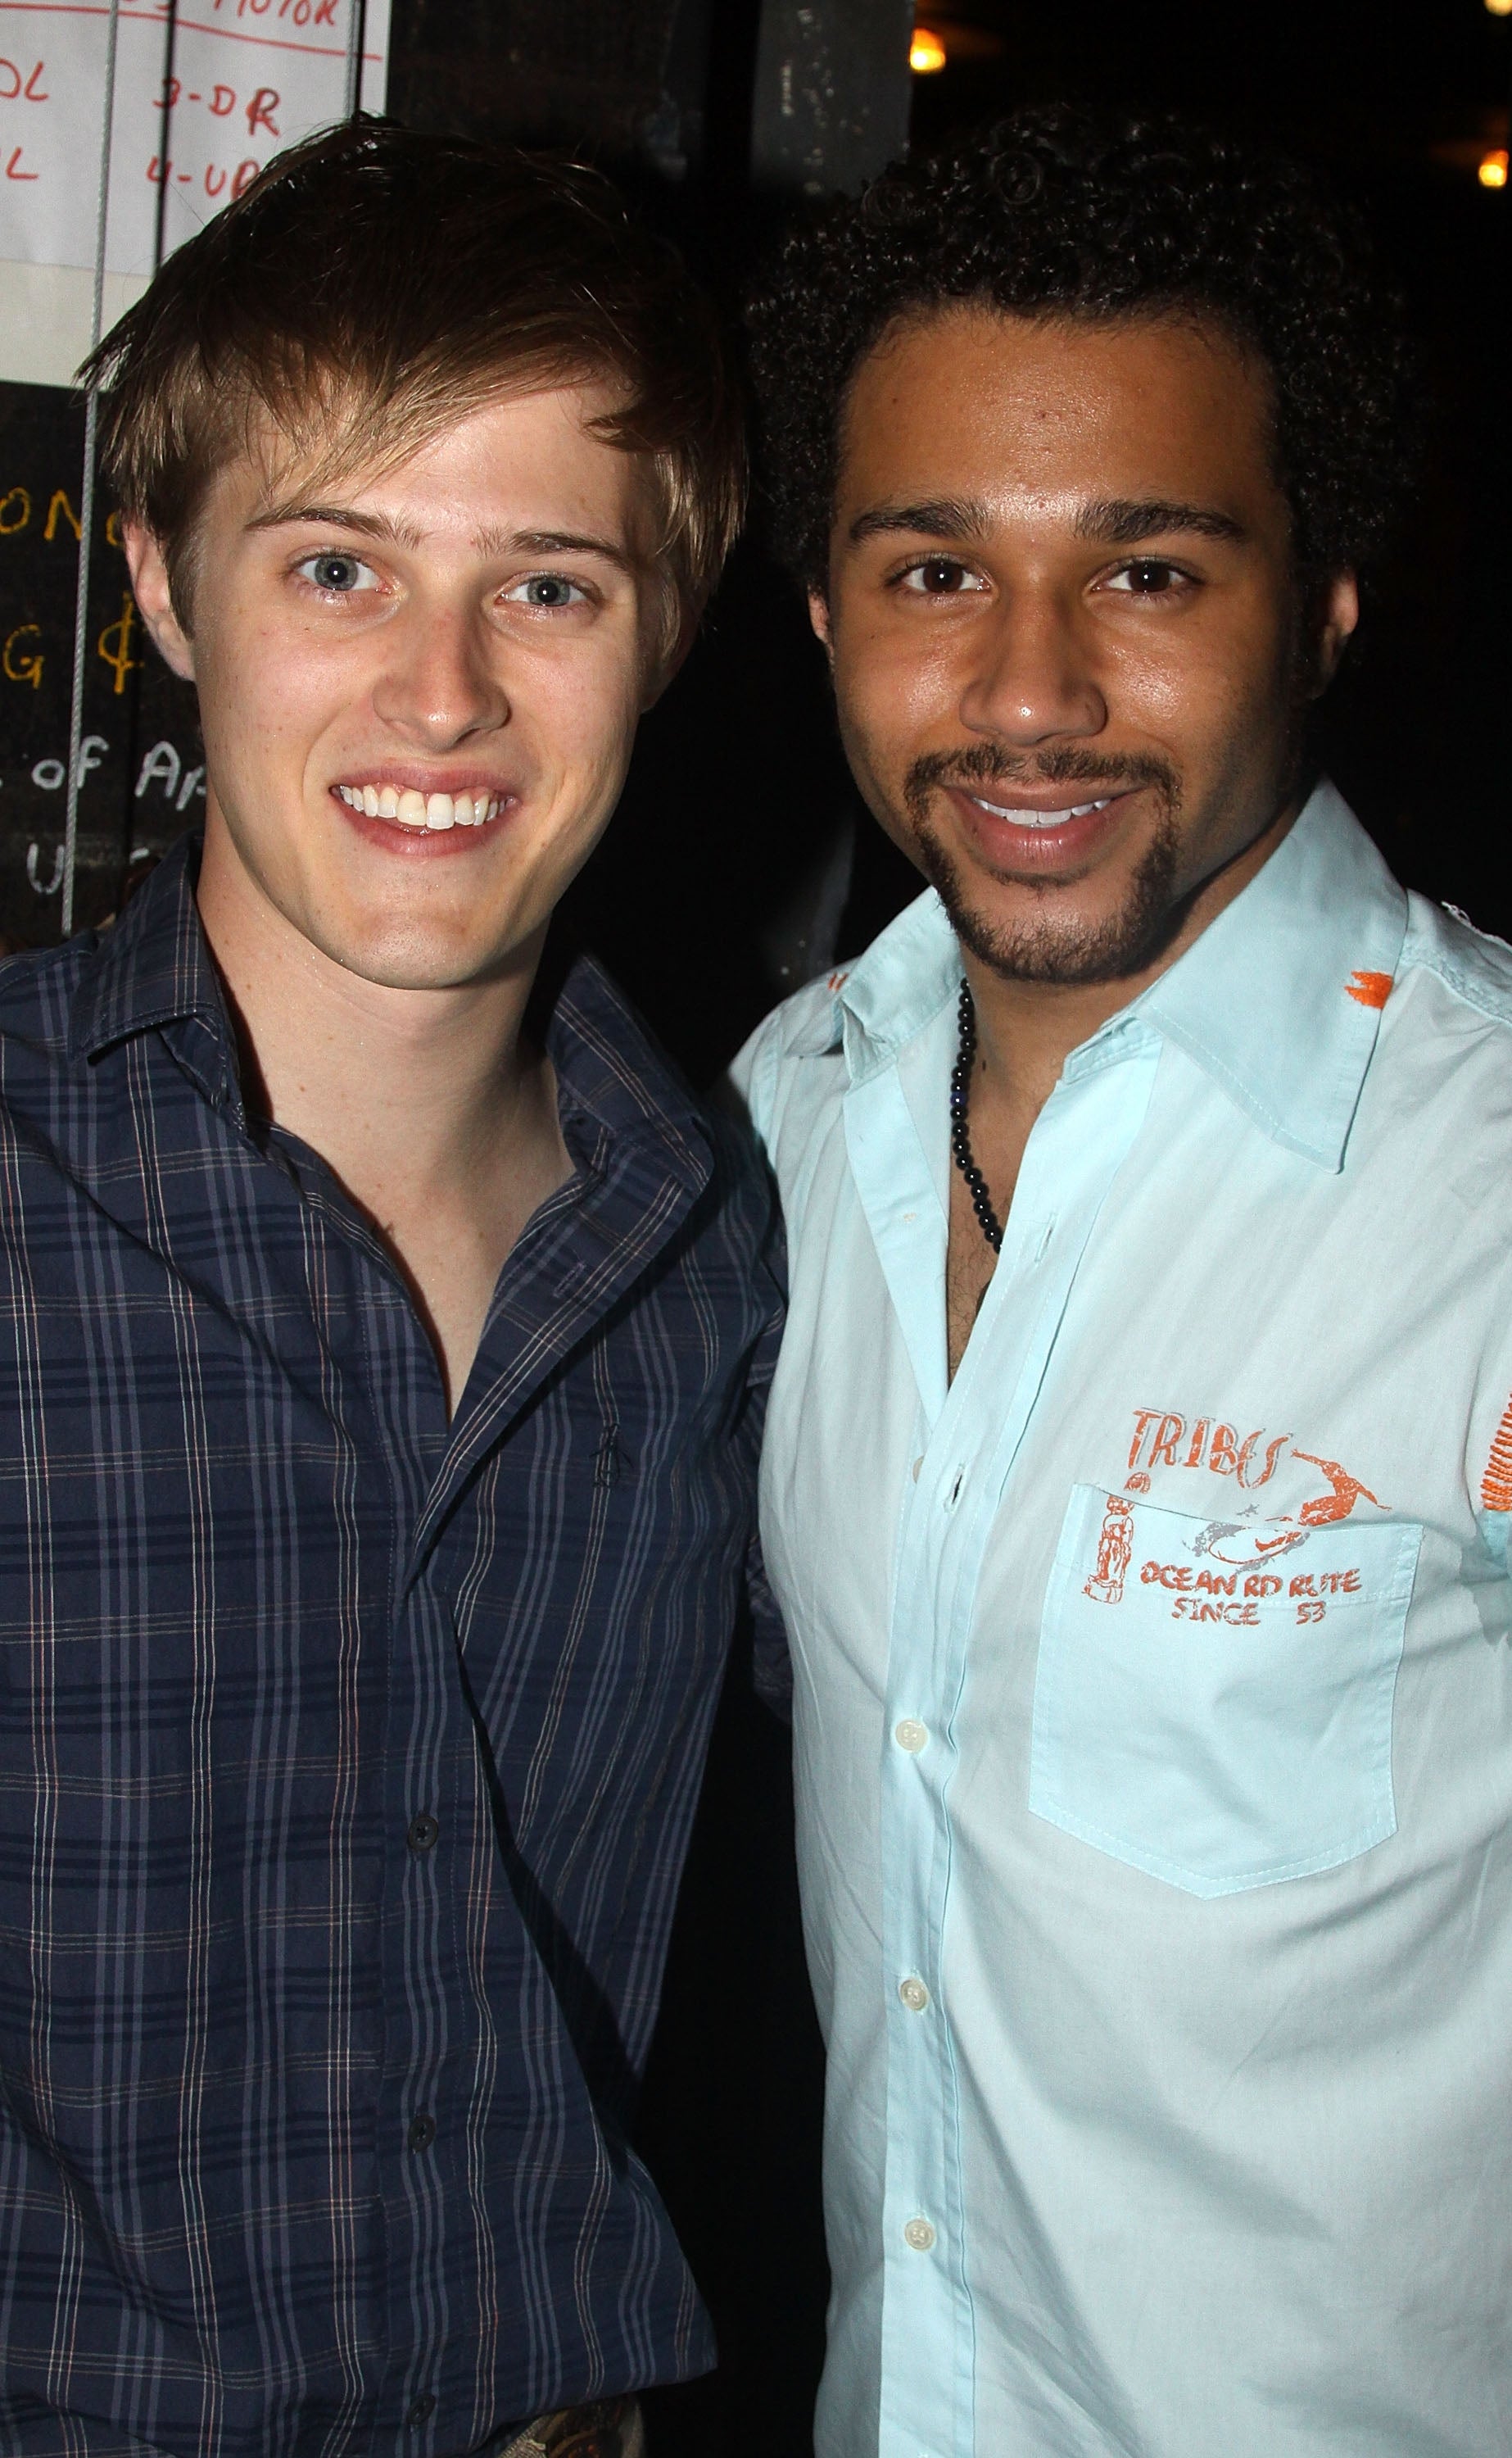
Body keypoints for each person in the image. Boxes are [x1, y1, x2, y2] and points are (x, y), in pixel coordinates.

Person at [735, 106, 1512, 2456]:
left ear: (1327, 594)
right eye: (934, 573)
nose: (1034, 693)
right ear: (823, 616)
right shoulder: (780, 1118)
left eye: (1152, 572)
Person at [0, 120, 781, 2458]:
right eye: (337, 567)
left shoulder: (731, 1239)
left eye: (548, 587)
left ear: (670, 621)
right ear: (158, 584)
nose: (442, 697)